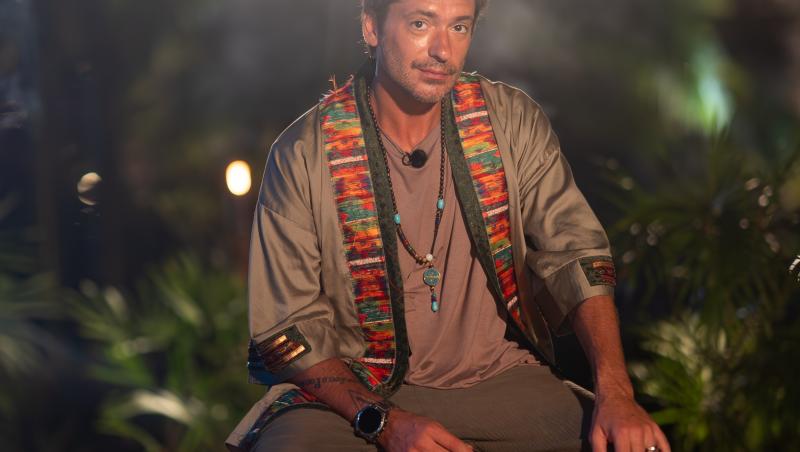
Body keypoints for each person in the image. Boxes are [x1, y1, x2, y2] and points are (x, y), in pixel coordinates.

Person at [226, 1, 670, 451]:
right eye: (420, 23)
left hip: (503, 383)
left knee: (627, 443)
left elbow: (577, 254)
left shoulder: (509, 121)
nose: (442, 50)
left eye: (459, 27)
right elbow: (289, 326)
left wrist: (618, 393)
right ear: (372, 27)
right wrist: (385, 422)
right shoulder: (303, 154)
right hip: (359, 391)